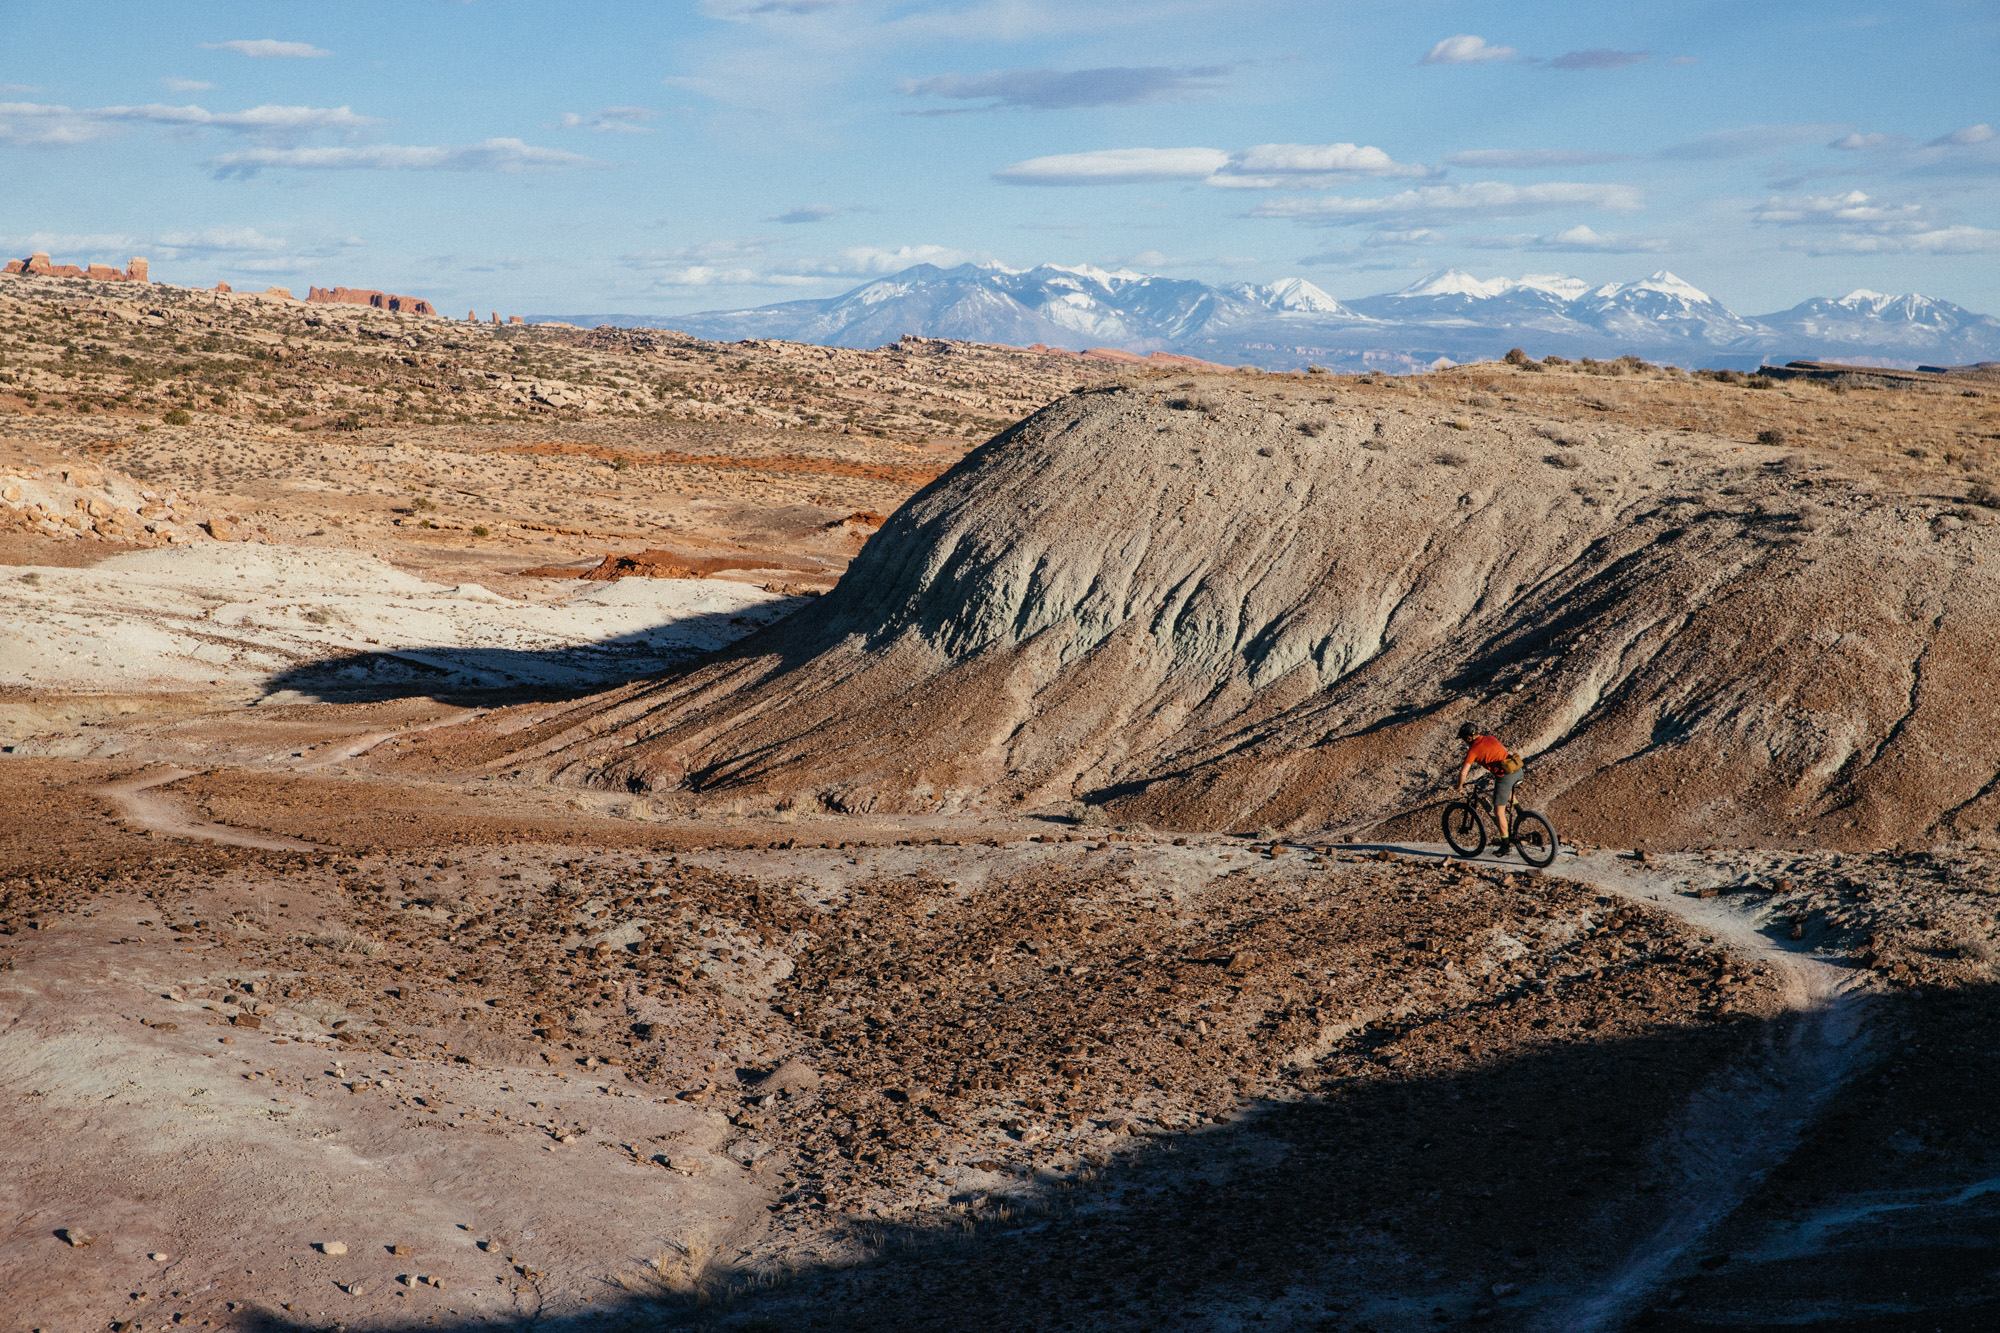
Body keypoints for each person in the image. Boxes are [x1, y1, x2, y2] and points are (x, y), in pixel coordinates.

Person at [1454, 722, 1524, 847]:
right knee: (1504, 790)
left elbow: (1463, 773)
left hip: (1505, 776)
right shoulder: (1491, 738)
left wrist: (1459, 786)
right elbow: (1498, 755)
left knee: (1499, 812)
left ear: (1469, 738)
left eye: (1464, 739)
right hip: (1518, 770)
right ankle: (1521, 812)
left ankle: (1505, 845)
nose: (1465, 742)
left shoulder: (1473, 749)